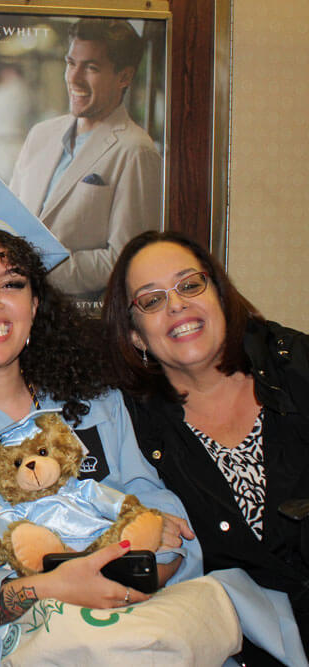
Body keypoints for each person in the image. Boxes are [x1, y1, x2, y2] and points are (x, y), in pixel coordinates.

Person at [0, 169, 200, 664]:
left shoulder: (95, 400)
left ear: (36, 303)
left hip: (144, 618)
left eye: (13, 283)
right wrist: (48, 588)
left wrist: (142, 568)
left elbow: (159, 514)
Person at [101, 230, 309, 662]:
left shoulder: (298, 368)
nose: (177, 304)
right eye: (151, 300)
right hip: (245, 648)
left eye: (189, 285)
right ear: (136, 335)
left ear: (219, 294)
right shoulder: (128, 426)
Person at [9, 18, 162, 301]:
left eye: (91, 68)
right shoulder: (40, 134)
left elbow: (126, 260)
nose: (74, 78)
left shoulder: (136, 150)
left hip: (76, 320)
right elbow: (9, 222)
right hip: (13, 308)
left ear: (124, 77)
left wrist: (36, 270)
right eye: (70, 63)